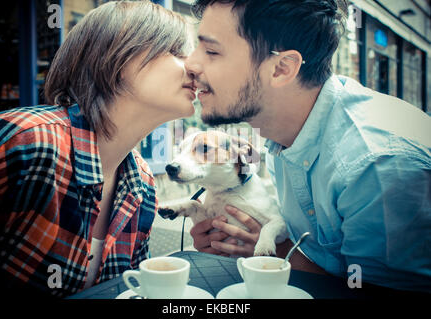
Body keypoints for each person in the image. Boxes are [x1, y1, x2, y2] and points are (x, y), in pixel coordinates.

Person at [184, 0, 431, 292]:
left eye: (212, 51)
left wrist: (275, 255)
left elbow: (371, 291)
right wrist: (246, 241)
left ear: (281, 69)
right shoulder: (284, 130)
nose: (190, 63)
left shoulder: (378, 163)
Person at [0, 1, 195, 298]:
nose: (195, 66)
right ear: (117, 57)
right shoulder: (20, 142)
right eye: (177, 52)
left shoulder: (142, 184)